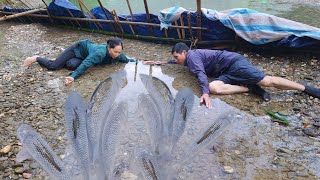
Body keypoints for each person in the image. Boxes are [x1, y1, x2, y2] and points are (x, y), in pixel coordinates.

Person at [144, 42, 320, 108]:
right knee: (215, 87)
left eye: (176, 56)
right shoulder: (186, 59)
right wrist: (161, 62)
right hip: (225, 72)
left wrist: (203, 93)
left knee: (267, 81)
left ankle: (305, 88)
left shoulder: (193, 56)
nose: (176, 59)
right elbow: (181, 64)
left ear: (184, 52)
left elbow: (201, 75)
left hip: (233, 63)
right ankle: (248, 87)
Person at [24, 37, 135, 85]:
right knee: (53, 66)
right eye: (115, 52)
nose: (118, 54)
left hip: (84, 55)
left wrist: (141, 62)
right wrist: (73, 77)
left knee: (71, 65)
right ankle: (35, 58)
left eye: (119, 52)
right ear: (109, 48)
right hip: (77, 49)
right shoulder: (99, 53)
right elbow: (86, 64)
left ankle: (65, 61)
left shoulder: (118, 55)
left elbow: (127, 60)